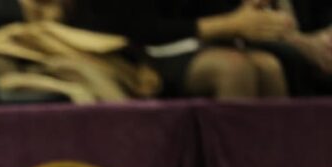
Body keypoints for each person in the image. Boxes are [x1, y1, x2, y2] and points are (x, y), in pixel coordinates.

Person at [70, 0, 297, 98]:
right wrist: (229, 24)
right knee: (233, 70)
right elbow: (138, 27)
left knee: (269, 67)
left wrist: (247, 12)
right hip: (127, 53)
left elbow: (218, 11)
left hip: (187, 44)